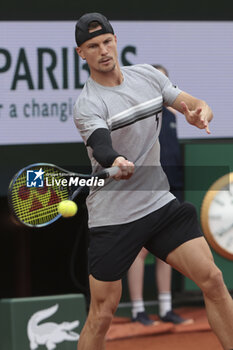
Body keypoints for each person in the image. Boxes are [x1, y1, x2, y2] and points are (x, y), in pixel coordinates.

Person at [73, 12, 233, 350]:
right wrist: (115, 160)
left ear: (115, 42)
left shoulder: (147, 76)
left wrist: (199, 111)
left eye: (106, 42)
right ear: (81, 54)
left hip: (159, 205)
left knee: (214, 280)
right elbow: (101, 144)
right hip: (114, 218)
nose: (102, 50)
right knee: (102, 314)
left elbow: (194, 103)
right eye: (92, 46)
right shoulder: (88, 104)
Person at [127, 64, 188, 325]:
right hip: (146, 188)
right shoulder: (139, 115)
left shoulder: (172, 115)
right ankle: (138, 310)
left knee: (169, 249)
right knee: (140, 251)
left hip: (171, 187)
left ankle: (166, 309)